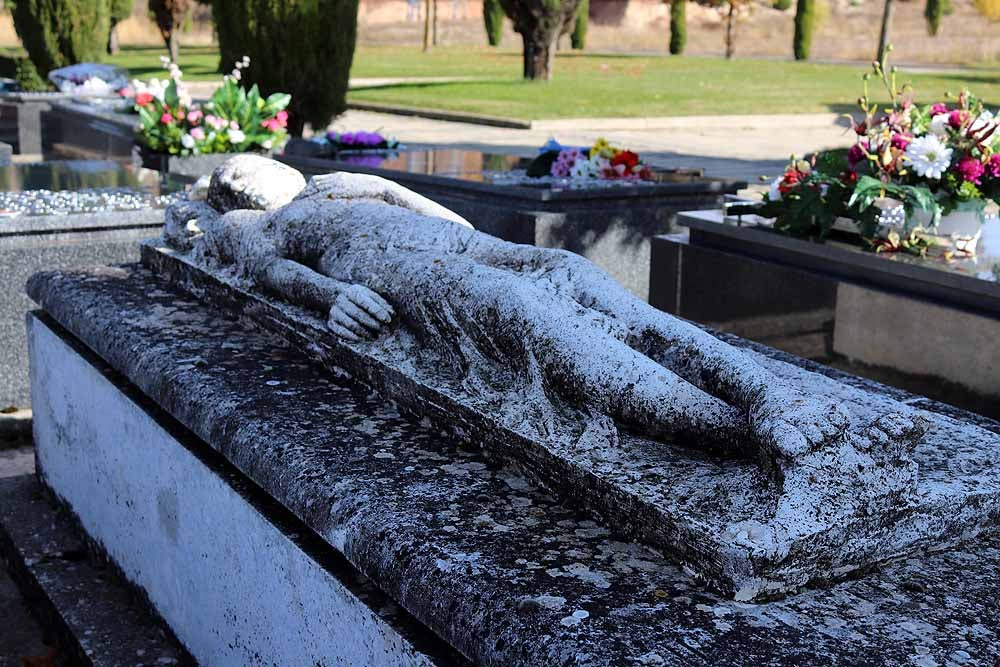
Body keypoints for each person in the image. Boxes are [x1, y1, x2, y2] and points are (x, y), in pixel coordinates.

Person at [165, 161, 924, 488]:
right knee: (543, 329)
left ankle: (771, 398)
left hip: (465, 247)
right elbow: (272, 275)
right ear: (234, 193)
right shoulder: (260, 225)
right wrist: (328, 298)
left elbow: (428, 210)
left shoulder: (335, 180)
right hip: (416, 280)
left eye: (258, 162)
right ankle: (738, 433)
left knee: (593, 290)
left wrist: (490, 245)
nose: (256, 170)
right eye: (241, 172)